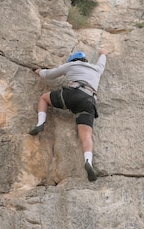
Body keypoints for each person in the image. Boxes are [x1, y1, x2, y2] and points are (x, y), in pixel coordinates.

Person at [29, 49, 108, 181]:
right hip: (89, 101)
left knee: (43, 98)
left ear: (72, 60)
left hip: (73, 94)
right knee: (86, 136)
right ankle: (88, 161)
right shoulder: (96, 69)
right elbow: (102, 63)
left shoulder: (71, 65)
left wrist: (38, 71)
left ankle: (41, 123)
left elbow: (49, 74)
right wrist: (103, 54)